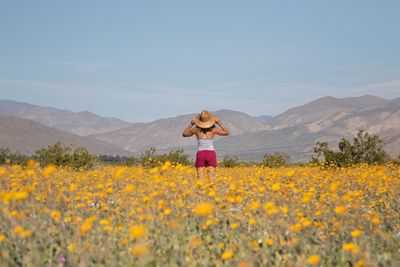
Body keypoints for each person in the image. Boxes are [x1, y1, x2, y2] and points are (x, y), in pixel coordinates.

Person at [182, 110, 230, 180]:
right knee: (211, 178)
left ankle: (200, 191)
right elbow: (227, 132)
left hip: (201, 154)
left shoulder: (196, 130)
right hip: (211, 154)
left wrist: (191, 124)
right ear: (210, 121)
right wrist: (219, 122)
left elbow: (184, 134)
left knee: (200, 179)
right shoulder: (213, 130)